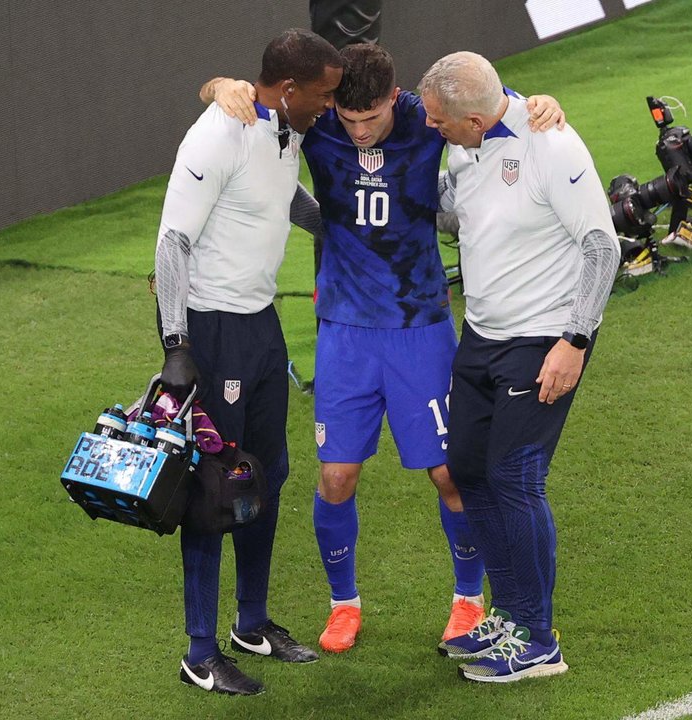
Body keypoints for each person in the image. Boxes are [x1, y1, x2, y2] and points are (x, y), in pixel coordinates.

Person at [200, 44, 565, 654]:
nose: (360, 131)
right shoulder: (317, 126)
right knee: (337, 474)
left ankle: (468, 599)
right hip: (344, 330)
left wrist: (536, 107)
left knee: (449, 473)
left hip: (421, 326)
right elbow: (253, 110)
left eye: (371, 118)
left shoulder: (428, 121)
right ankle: (344, 604)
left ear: (395, 99)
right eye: (349, 120)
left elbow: (487, 104)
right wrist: (217, 86)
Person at [418, 51, 620, 683]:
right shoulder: (466, 140)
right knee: (468, 471)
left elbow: (602, 246)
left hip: (542, 342)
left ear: (474, 120)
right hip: (480, 336)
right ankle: (507, 617)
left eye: (439, 121)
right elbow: (459, 215)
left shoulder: (551, 145)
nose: (431, 128)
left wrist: (576, 341)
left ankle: (537, 640)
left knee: (515, 479)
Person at [153, 28, 341, 696]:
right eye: (321, 96)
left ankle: (252, 623)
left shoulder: (283, 131)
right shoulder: (217, 135)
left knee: (266, 473)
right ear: (288, 90)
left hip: (260, 324)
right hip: (212, 328)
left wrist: (335, 224)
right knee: (213, 488)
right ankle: (199, 654)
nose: (328, 107)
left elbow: (281, 197)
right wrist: (176, 345)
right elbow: (173, 241)